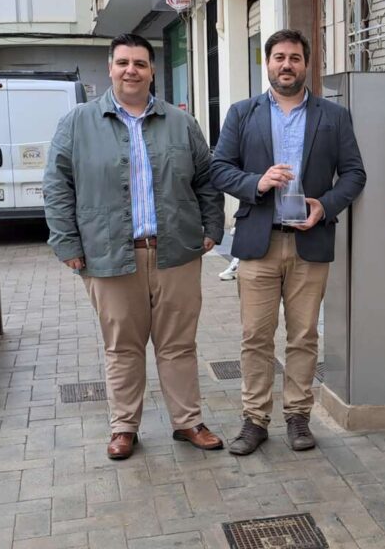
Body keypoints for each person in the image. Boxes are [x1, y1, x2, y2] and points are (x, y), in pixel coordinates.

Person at [44, 33, 226, 460]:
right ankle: (124, 426)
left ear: (152, 71)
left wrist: (213, 227)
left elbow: (206, 179)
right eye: (123, 62)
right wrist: (67, 242)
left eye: (140, 63)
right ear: (110, 68)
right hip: (109, 254)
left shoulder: (181, 123)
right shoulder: (77, 123)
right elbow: (57, 186)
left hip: (176, 253)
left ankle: (188, 421)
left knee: (178, 343)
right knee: (122, 346)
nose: (131, 70)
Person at [210, 29, 366, 455]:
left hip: (309, 242)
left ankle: (298, 416)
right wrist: (256, 182)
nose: (286, 65)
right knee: (255, 336)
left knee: (303, 336)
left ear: (306, 64)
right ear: (268, 63)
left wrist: (325, 206)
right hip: (258, 243)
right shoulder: (242, 113)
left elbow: (355, 174)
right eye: (279, 57)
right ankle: (254, 420)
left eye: (295, 58)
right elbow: (219, 168)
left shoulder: (333, 116)